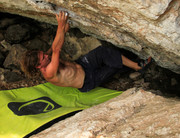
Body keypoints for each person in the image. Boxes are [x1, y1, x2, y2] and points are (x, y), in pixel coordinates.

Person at [21, 11, 152, 92]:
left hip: (84, 64)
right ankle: (135, 66)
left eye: (42, 53)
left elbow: (53, 47)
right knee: (113, 66)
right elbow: (56, 49)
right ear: (39, 66)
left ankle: (136, 66)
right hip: (88, 81)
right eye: (42, 57)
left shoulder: (46, 59)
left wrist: (63, 32)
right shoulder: (48, 72)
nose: (45, 55)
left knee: (102, 52)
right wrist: (60, 25)